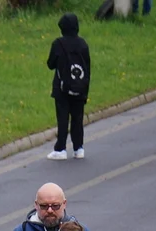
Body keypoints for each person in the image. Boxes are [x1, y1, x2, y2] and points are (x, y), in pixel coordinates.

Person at [46, 13, 90, 160]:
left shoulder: (58, 44)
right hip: (80, 86)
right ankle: (79, 148)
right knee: (78, 118)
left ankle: (61, 149)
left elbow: (50, 64)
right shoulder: (83, 44)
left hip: (62, 88)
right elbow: (87, 67)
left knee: (63, 118)